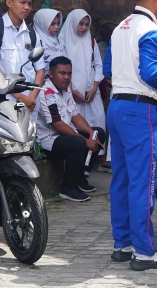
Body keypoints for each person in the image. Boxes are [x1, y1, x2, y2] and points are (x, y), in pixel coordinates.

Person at [107, 0, 157, 271]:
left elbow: (109, 69)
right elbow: (150, 73)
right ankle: (145, 252)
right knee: (143, 183)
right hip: (140, 111)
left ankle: (122, 244)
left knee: (121, 180)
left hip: (116, 107)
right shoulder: (151, 30)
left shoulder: (120, 28)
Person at [36, 56, 107, 202]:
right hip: (49, 141)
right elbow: (57, 124)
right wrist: (85, 140)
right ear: (51, 74)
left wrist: (91, 133)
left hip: (65, 136)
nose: (66, 77)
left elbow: (75, 116)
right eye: (62, 73)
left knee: (99, 132)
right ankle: (68, 188)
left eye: (69, 73)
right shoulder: (46, 92)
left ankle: (80, 179)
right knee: (79, 143)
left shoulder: (66, 90)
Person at [0, 0, 45, 109]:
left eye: (29, 3)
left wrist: (31, 98)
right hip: (5, 101)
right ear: (9, 2)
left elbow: (40, 70)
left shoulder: (32, 34)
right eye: (22, 2)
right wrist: (20, 97)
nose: (27, 7)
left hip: (31, 104)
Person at [59, 9, 106, 168]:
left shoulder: (91, 41)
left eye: (87, 24)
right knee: (76, 127)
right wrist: (72, 90)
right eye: (81, 24)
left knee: (98, 122)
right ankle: (78, 163)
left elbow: (98, 65)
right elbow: (60, 68)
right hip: (71, 93)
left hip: (91, 92)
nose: (84, 28)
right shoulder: (63, 41)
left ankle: (92, 161)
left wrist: (94, 87)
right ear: (73, 23)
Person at [33, 8, 66, 73]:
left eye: (58, 23)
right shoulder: (36, 42)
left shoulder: (59, 41)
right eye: (52, 24)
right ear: (42, 24)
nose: (56, 27)